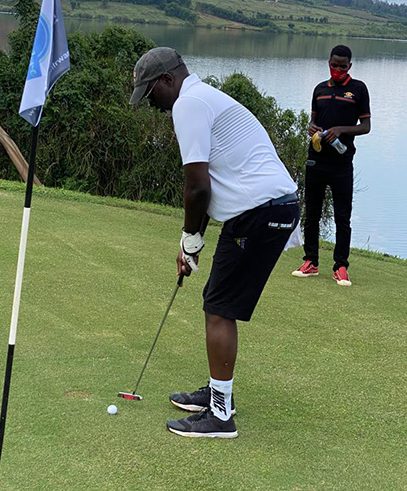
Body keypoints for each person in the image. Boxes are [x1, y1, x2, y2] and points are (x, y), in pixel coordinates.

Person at [129, 47, 300, 438]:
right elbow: (207, 186)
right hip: (269, 208)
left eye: (150, 93)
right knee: (218, 302)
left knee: (219, 308)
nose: (152, 104)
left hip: (259, 211)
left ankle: (220, 415)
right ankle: (218, 393)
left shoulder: (187, 105)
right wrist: (192, 241)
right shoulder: (203, 97)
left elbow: (197, 187)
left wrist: (190, 238)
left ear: (168, 80)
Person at [292, 45, 371, 287]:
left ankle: (341, 266)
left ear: (350, 66)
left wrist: (340, 130)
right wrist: (312, 128)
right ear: (329, 63)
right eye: (334, 65)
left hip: (341, 163)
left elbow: (365, 126)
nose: (337, 70)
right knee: (312, 215)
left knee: (342, 217)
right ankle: (311, 262)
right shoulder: (319, 89)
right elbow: (312, 121)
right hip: (315, 161)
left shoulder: (358, 89)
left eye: (342, 66)